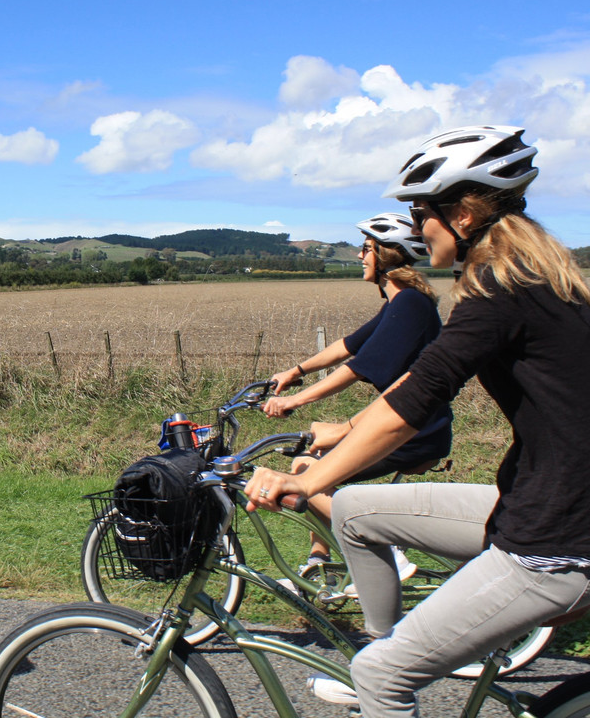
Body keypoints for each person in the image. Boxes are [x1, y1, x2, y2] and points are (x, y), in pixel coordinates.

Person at [245, 125, 590, 717]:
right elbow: (418, 377)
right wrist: (344, 436)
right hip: (537, 501)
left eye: (420, 210)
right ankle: (391, 651)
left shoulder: (499, 286)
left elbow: (416, 401)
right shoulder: (535, 278)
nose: (414, 227)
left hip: (560, 537)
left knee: (382, 678)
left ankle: (383, 674)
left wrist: (308, 480)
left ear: (462, 214)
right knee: (353, 513)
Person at [263, 213, 451, 577]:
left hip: (415, 431)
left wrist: (295, 401)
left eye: (366, 249)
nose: (360, 256)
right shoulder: (401, 303)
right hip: (412, 425)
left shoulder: (411, 303)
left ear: (387, 255)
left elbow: (358, 367)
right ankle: (322, 562)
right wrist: (295, 372)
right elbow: (345, 347)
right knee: (318, 458)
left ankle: (386, 553)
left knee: (305, 468)